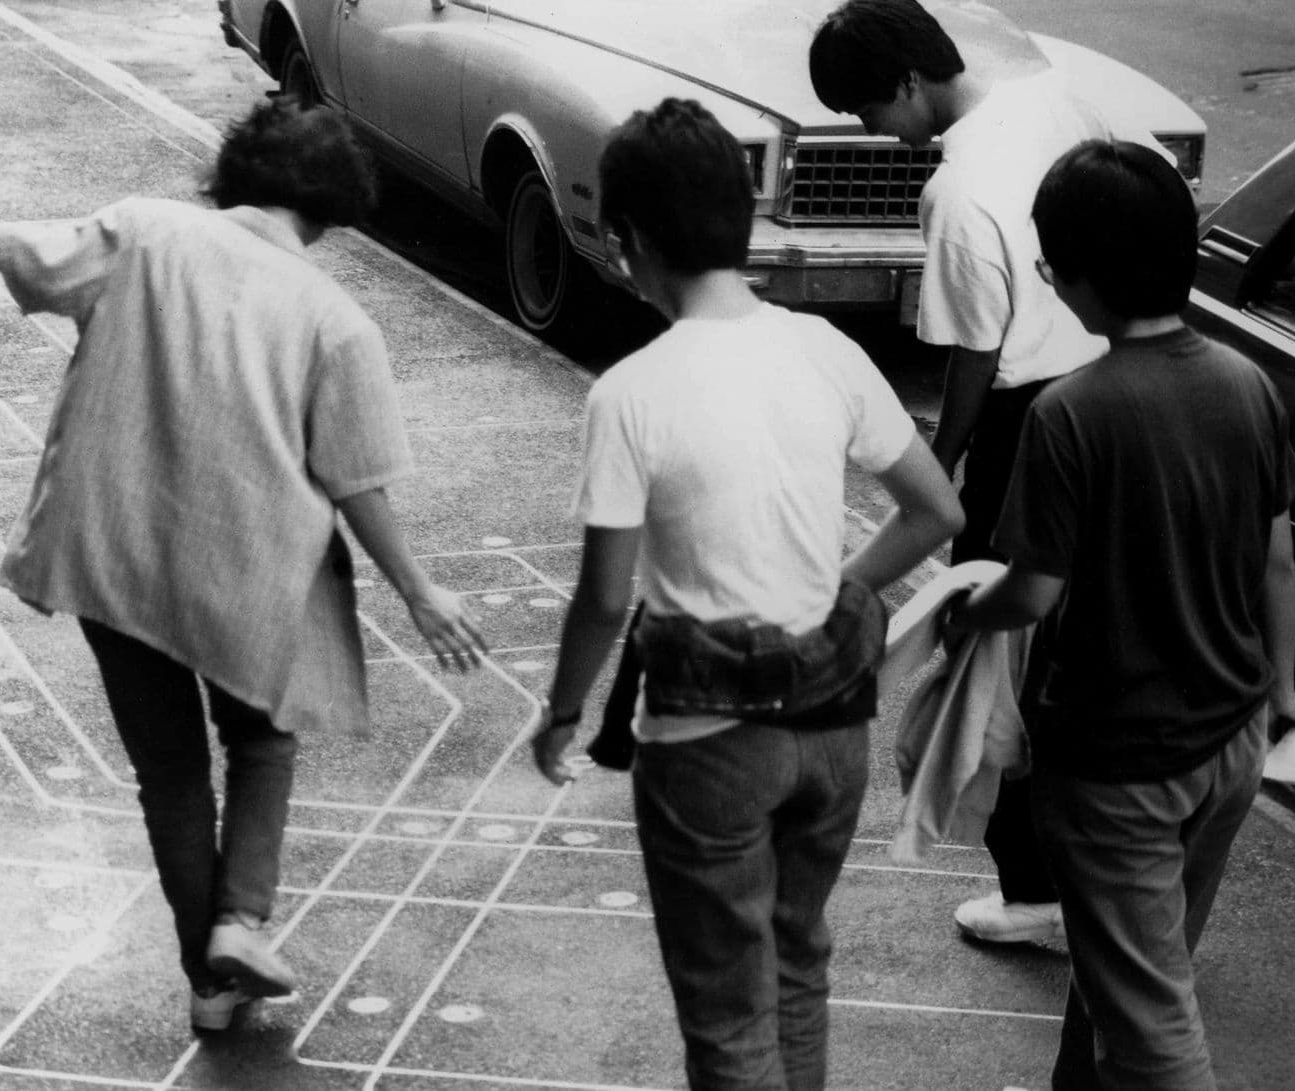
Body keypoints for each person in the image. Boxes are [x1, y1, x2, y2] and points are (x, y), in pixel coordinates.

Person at [0, 98, 488, 1033]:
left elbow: (13, 248)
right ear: (333, 214)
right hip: (251, 573)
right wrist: (420, 590)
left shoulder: (144, 232)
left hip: (113, 550)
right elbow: (358, 479)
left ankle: (210, 979)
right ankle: (241, 920)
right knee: (259, 741)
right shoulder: (338, 322)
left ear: (231, 175)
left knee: (169, 770)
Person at [530, 98, 963, 1091]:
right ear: (746, 215)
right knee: (796, 965)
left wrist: (561, 712)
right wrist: (834, 586)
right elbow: (935, 511)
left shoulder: (633, 390)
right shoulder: (823, 349)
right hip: (830, 729)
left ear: (631, 241)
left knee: (727, 1017)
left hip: (705, 741)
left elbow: (603, 597)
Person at [809, 0, 1165, 945]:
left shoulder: (959, 192)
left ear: (907, 84)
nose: (872, 135)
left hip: (1026, 418)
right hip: (1112, 376)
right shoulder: (1057, 99)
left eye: (864, 114)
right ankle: (1100, 861)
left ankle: (1034, 889)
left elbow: (972, 356)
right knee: (1093, 636)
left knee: (1004, 658)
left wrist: (949, 461)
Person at [946, 139, 1295, 1091]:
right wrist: (1280, 697)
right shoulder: (1245, 384)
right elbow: (1278, 555)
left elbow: (1034, 594)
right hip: (1228, 741)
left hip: (1117, 765)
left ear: (1075, 278)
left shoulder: (1073, 412)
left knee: (1152, 1025)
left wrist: (965, 602)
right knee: (1131, 969)